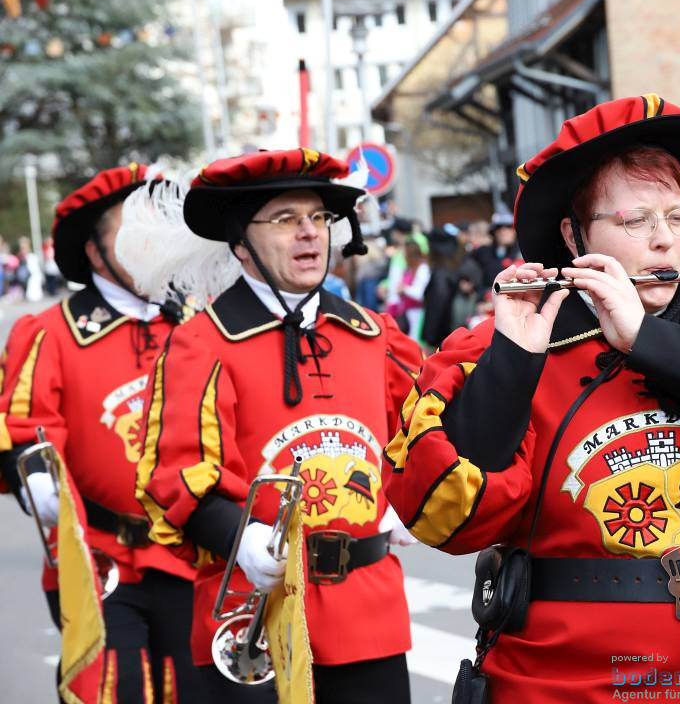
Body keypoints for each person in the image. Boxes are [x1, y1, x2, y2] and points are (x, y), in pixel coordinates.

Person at [385, 95, 680, 702]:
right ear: (573, 234)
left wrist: (646, 340)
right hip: (571, 685)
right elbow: (445, 516)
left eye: (678, 217)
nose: (665, 241)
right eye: (635, 221)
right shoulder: (506, 343)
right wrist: (512, 361)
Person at [134, 148, 421, 703]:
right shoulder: (201, 343)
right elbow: (173, 475)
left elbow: (424, 426)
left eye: (318, 218)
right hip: (254, 612)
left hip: (370, 609)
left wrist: (408, 493)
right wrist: (244, 539)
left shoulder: (373, 331)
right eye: (286, 220)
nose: (310, 234)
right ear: (241, 242)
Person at [0, 165, 219, 703]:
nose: (153, 241)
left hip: (193, 556)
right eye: (132, 228)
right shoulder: (50, 333)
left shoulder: (200, 325)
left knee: (195, 690)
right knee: (112, 691)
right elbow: (23, 430)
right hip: (99, 559)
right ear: (96, 252)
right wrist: (42, 484)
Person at [471, 211, 522, 286]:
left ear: (514, 230)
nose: (503, 231)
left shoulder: (522, 252)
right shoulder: (484, 252)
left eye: (508, 227)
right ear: (494, 232)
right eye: (499, 227)